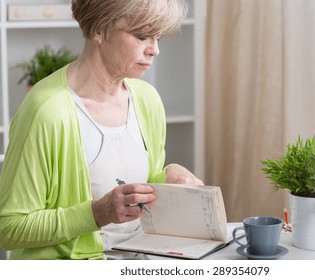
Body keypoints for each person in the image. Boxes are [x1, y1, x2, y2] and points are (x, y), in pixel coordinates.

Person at [0, 0, 202, 260]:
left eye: (158, 37)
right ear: (98, 31)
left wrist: (168, 178)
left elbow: (136, 193)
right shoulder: (47, 110)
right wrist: (97, 213)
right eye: (142, 36)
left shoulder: (147, 99)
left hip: (141, 257)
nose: (155, 50)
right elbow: (9, 229)